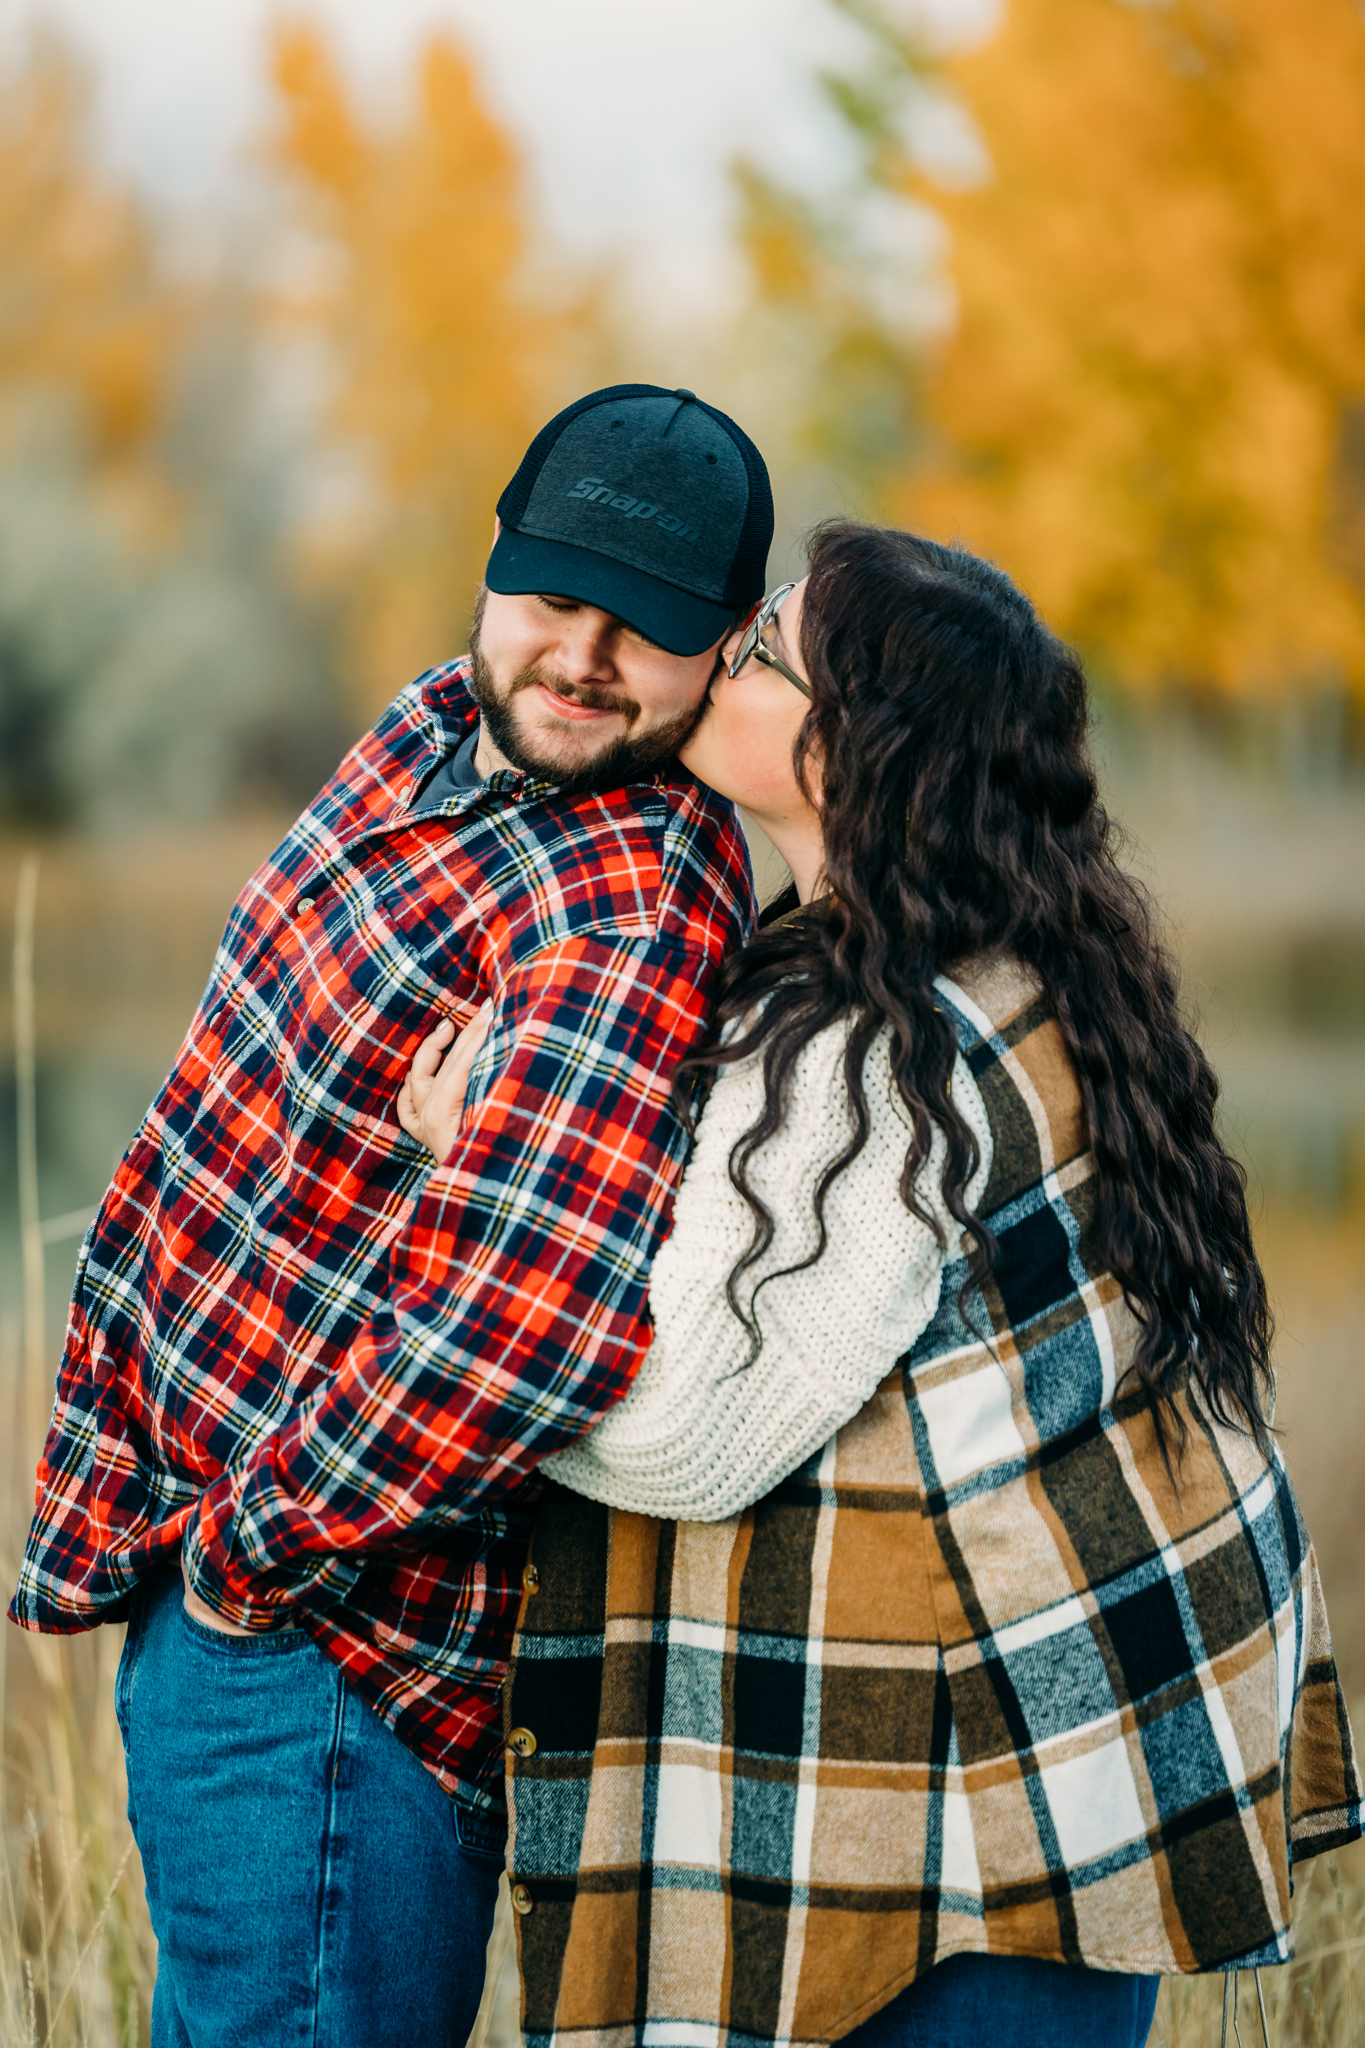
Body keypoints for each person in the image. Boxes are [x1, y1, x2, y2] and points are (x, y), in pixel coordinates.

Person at [411, 523, 1362, 2048]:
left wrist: (476, 1190)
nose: (726, 655)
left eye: (769, 650)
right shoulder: (1018, 960)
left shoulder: (880, 1052)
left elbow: (687, 1439)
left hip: (974, 1812)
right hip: (1084, 1743)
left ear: (861, 748)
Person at [9, 383, 775, 2048]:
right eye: (561, 596)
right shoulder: (430, 722)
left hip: (327, 1656)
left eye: (649, 631)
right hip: (214, 1588)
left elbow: (523, 1330)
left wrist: (238, 1564)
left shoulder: (628, 900)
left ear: (722, 653)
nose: (586, 654)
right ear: (496, 559)